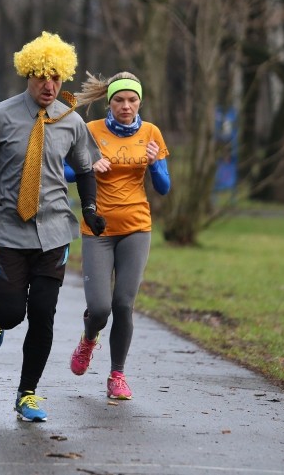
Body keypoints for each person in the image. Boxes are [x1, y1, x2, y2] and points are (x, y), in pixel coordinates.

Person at [0, 31, 107, 422]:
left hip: (55, 230)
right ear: (28, 75)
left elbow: (87, 169)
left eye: (56, 78)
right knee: (11, 314)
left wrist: (89, 209)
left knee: (43, 312)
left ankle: (28, 393)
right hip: (8, 228)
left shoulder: (70, 120)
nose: (49, 85)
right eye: (42, 76)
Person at [65, 71, 171, 400]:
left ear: (140, 102)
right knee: (99, 308)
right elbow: (66, 171)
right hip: (98, 229)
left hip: (137, 228)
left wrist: (154, 164)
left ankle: (117, 375)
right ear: (109, 103)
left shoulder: (151, 132)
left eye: (132, 100)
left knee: (123, 304)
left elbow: (164, 188)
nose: (126, 106)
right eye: (119, 100)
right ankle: (88, 339)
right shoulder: (90, 131)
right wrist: (87, 166)